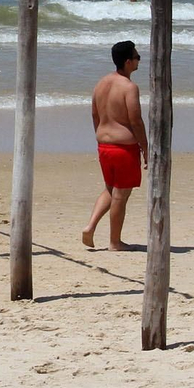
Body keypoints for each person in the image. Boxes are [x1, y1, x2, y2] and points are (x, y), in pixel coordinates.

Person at [81, 40, 148, 251]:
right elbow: (135, 120)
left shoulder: (101, 83)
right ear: (128, 62)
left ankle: (90, 226)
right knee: (121, 194)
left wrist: (100, 137)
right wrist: (146, 147)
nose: (139, 60)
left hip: (104, 145)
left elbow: (94, 114)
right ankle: (115, 241)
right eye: (137, 57)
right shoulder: (129, 87)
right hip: (123, 148)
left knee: (110, 189)